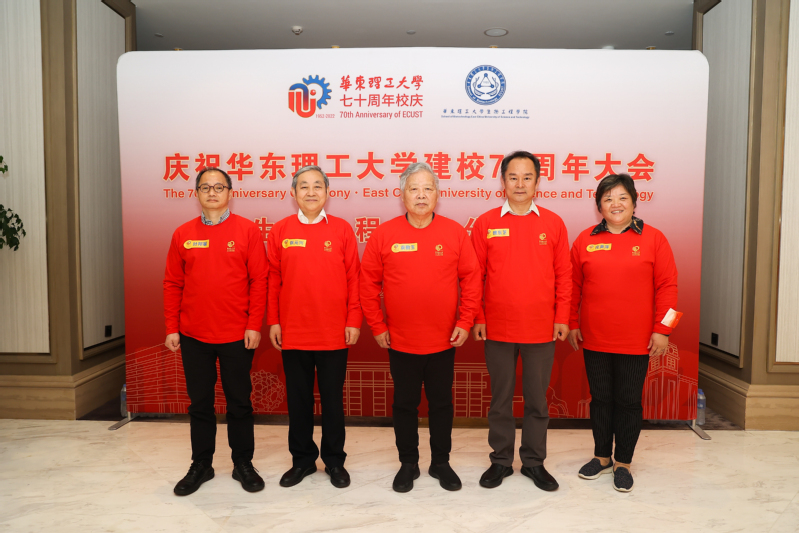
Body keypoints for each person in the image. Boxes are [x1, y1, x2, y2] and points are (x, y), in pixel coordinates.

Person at [360, 162, 482, 493]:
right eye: (414, 189)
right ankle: (408, 463)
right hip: (400, 340)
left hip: (444, 339)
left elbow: (471, 280)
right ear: (402, 195)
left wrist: (465, 321)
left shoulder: (454, 232)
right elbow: (367, 284)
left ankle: (440, 462)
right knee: (404, 405)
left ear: (437, 194)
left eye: (428, 188)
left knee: (441, 405)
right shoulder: (384, 234)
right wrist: (377, 325)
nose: (421, 195)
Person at [568, 173, 678, 493]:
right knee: (601, 399)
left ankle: (624, 463)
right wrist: (572, 323)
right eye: (607, 199)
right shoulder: (585, 239)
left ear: (634, 202)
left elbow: (668, 287)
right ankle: (602, 456)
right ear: (598, 206)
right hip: (595, 337)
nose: (615, 204)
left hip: (637, 340)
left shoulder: (654, 239)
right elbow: (572, 287)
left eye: (622, 198)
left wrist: (663, 330)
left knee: (628, 401)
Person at [470, 151, 571, 492]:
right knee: (500, 399)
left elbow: (564, 275)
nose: (520, 184)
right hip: (497, 327)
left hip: (541, 328)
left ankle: (533, 462)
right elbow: (474, 276)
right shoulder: (485, 223)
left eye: (527, 177)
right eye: (513, 177)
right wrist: (478, 316)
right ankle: (500, 460)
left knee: (537, 400)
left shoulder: (553, 223)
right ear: (503, 181)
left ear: (537, 182)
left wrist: (562, 317)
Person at [164, 167, 267, 495]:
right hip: (193, 334)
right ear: (196, 194)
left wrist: (254, 324)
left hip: (237, 334)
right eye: (205, 187)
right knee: (200, 403)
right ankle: (201, 464)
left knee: (239, 402)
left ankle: (243, 463)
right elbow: (172, 283)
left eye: (219, 187)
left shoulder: (248, 230)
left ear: (230, 193)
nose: (212, 192)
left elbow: (259, 281)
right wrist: (171, 327)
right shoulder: (182, 233)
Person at [267, 165, 362, 489]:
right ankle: (303, 460)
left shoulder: (342, 230)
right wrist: (274, 321)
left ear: (327, 192)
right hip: (293, 331)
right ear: (293, 193)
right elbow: (273, 280)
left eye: (317, 186)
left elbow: (354, 279)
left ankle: (334, 461)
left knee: (333, 402)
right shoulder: (280, 230)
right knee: (299, 401)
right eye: (304, 186)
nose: (311, 192)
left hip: (334, 332)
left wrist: (353, 320)